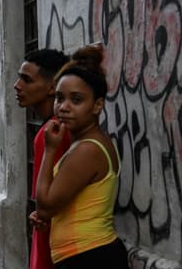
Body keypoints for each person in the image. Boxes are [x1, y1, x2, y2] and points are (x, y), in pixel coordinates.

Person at [35, 44, 128, 269]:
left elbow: (45, 206)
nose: (63, 107)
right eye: (59, 98)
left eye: (76, 100)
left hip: (90, 256)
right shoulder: (81, 144)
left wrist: (49, 151)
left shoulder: (88, 150)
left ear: (97, 105)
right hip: (84, 255)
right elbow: (57, 205)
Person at [14, 49, 71, 269]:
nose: (17, 85)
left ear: (51, 87)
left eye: (26, 79)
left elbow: (47, 203)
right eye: (19, 77)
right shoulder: (55, 129)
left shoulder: (52, 132)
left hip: (53, 238)